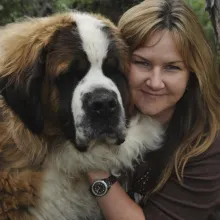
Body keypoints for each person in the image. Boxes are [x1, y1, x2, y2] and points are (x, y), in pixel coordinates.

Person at [87, 0, 220, 219]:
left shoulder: (207, 147)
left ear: (192, 74)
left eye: (172, 67)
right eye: (142, 63)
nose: (155, 82)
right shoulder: (108, 114)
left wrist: (93, 167)